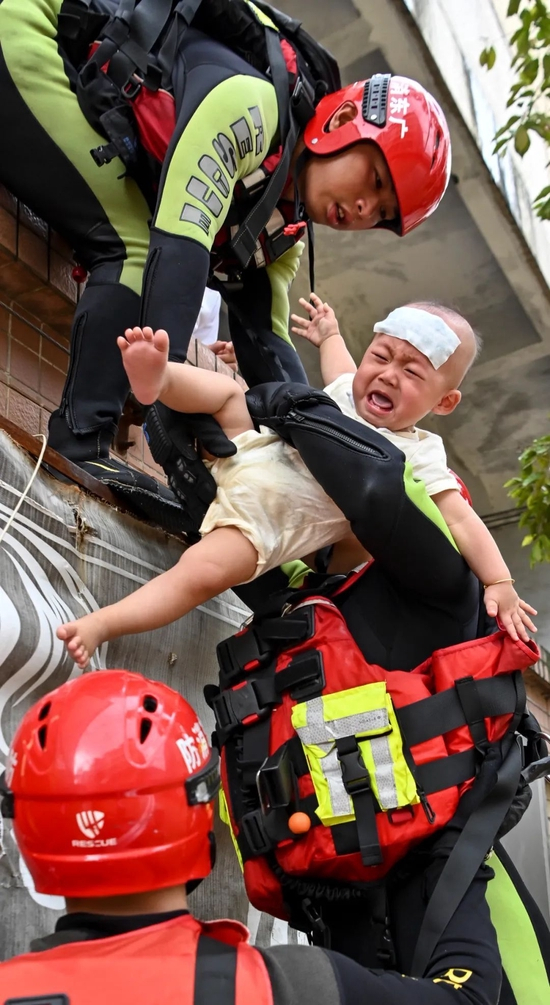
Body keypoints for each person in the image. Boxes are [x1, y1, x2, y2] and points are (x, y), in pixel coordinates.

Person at [0, 0, 451, 530]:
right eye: (375, 182)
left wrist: (328, 471)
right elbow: (181, 239)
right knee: (136, 251)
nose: (363, 210)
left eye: (382, 215)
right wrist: (166, 392)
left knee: (144, 250)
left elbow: (272, 356)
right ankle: (82, 441)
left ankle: (88, 443)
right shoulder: (252, 104)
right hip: (27, 28)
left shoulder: (284, 232)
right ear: (344, 120)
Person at [56, 300, 536, 668]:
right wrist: (328, 333)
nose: (387, 375)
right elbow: (342, 366)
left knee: (199, 574)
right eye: (381, 355)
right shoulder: (349, 392)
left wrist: (500, 580)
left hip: (267, 520)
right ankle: (158, 380)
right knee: (229, 393)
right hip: (253, 449)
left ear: (445, 401)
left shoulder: (420, 455)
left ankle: (102, 624)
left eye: (412, 372)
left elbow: (462, 519)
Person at [0, 669, 504, 1004]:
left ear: (29, 827)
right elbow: (466, 997)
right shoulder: (291, 984)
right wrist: (455, 846)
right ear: (197, 810)